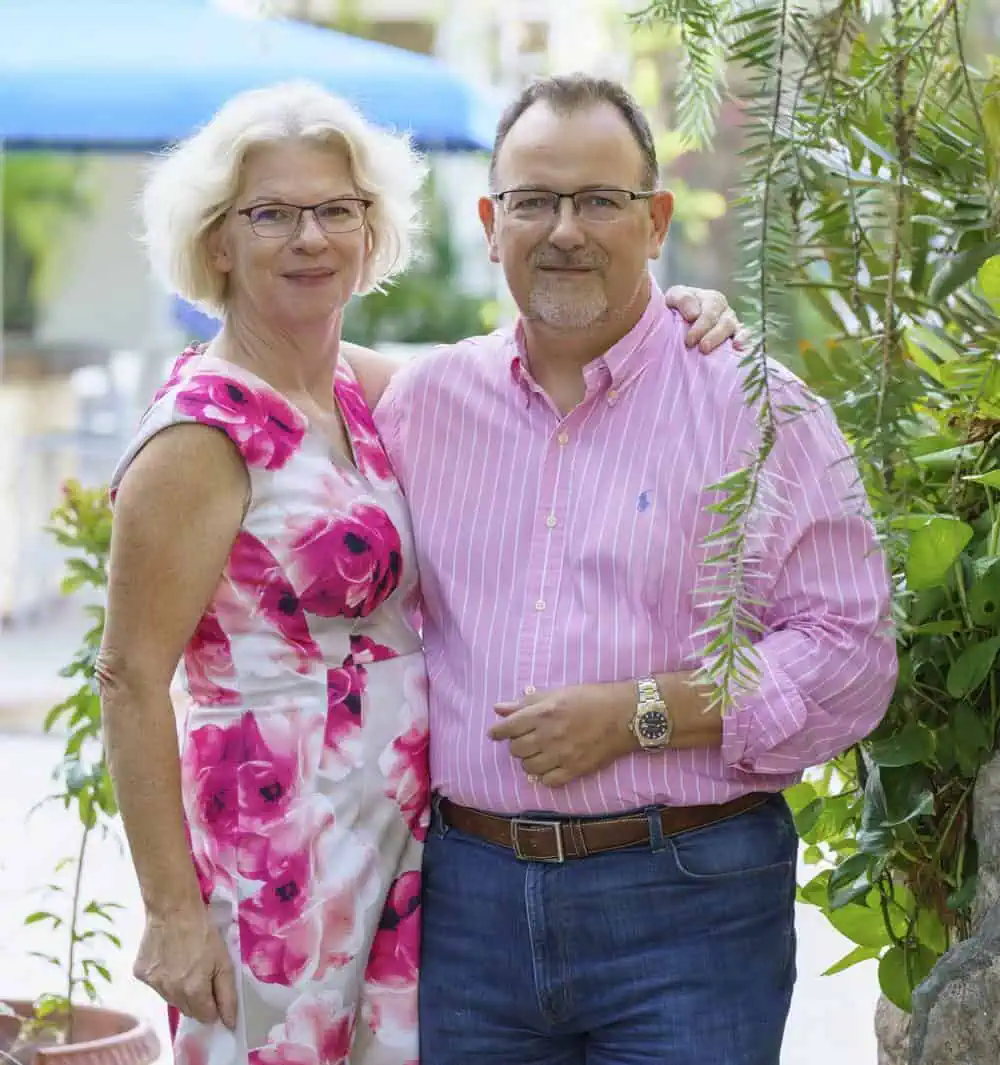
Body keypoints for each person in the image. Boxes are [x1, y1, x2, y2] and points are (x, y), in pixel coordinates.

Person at [97, 81, 740, 1065]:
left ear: (371, 231)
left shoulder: (357, 388)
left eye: (336, 211)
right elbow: (128, 677)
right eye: (271, 213)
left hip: (397, 842)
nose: (310, 238)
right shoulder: (200, 433)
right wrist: (170, 914)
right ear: (215, 241)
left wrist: (672, 312)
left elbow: (519, 372)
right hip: (272, 859)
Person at [362, 74, 898, 1065]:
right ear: (489, 223)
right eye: (534, 201)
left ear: (654, 222)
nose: (565, 229)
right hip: (466, 904)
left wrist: (641, 712)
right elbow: (277, 364)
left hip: (689, 899)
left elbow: (850, 654)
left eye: (599, 201)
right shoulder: (421, 407)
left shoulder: (757, 409)